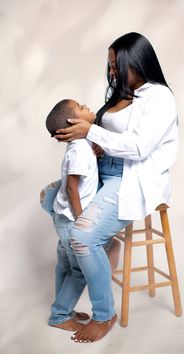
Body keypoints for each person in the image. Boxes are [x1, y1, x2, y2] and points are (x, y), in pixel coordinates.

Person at [50, 32, 178, 343]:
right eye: (109, 66)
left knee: (81, 237)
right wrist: (98, 147)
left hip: (130, 178)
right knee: (51, 195)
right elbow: (114, 139)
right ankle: (64, 306)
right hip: (103, 171)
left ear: (136, 61)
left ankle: (104, 314)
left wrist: (92, 132)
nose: (112, 72)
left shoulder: (159, 97)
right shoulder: (124, 94)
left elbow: (138, 148)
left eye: (117, 65)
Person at [41, 99, 121, 331]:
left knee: (65, 266)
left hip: (63, 217)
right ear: (72, 122)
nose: (87, 106)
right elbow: (71, 188)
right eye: (81, 107)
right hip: (71, 220)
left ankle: (64, 307)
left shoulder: (81, 146)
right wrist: (82, 220)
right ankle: (60, 315)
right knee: (79, 271)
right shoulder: (78, 151)